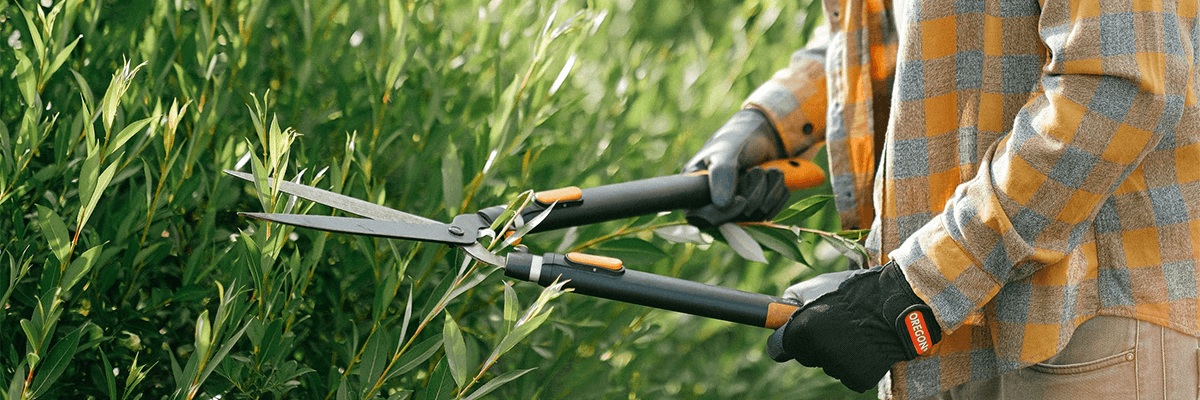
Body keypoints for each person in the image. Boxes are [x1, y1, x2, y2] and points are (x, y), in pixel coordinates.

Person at [683, 0, 1200, 398]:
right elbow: (886, 24)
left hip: (1086, 322)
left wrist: (917, 289)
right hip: (947, 320)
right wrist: (771, 124)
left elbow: (1118, 88)